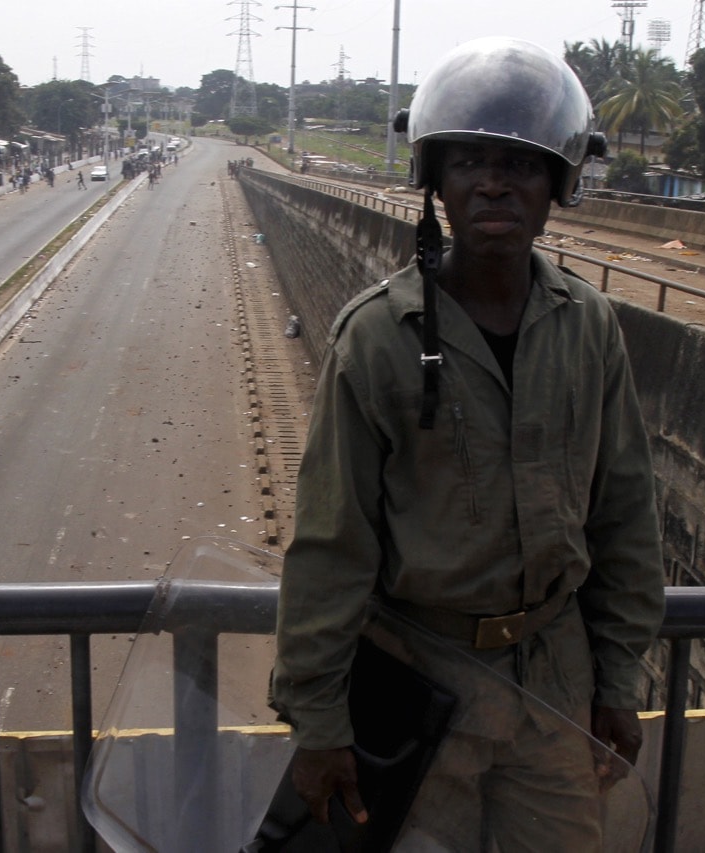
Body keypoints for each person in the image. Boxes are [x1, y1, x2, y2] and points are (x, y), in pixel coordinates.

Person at [270, 37, 665, 851]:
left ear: (557, 183)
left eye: (521, 165)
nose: (493, 182)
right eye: (470, 162)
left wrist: (619, 679)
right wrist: (319, 721)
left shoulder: (588, 328)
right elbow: (330, 545)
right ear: (436, 183)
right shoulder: (378, 338)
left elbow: (624, 516)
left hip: (555, 680)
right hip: (419, 675)